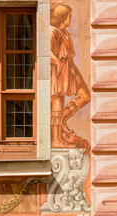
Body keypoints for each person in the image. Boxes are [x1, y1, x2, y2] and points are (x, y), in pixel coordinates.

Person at [50, 3, 90, 151]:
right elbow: (46, 52)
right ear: (62, 17)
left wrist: (72, 70)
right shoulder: (52, 31)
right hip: (58, 73)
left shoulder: (65, 33)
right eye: (69, 15)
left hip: (69, 70)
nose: (70, 18)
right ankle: (56, 140)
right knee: (57, 105)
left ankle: (63, 120)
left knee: (85, 95)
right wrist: (58, 63)